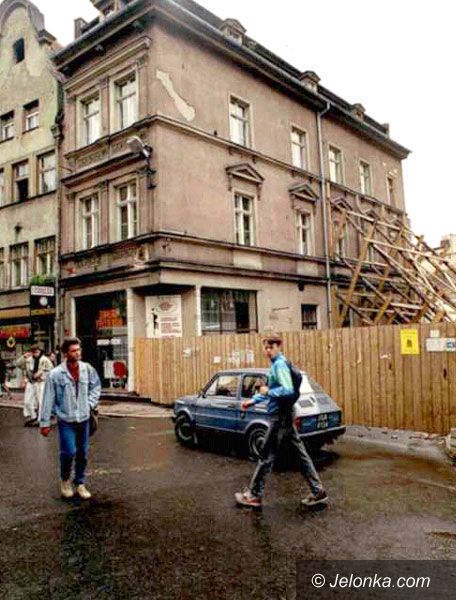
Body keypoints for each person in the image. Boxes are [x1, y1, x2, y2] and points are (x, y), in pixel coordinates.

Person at [235, 334, 328, 509]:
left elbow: (287, 390)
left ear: (279, 346)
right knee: (300, 454)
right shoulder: (278, 364)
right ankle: (318, 491)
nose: (268, 351)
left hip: (280, 417)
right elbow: (274, 390)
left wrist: (267, 392)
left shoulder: (279, 365)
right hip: (285, 414)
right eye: (266, 348)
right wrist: (253, 401)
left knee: (266, 454)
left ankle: (254, 495)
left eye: (271, 347)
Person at [40, 337, 101, 500]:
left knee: (83, 453)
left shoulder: (87, 369)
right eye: (74, 351)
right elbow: (48, 398)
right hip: (66, 420)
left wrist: (89, 404)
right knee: (68, 452)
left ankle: (80, 482)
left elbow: (96, 387)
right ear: (65, 353)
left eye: (79, 350)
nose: (78, 353)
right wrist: (45, 423)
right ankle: (65, 480)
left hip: (84, 418)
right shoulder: (55, 374)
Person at [16, 345, 53, 426]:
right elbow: (18, 364)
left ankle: (41, 419)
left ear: (40, 351)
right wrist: (23, 357)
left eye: (37, 351)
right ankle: (33, 416)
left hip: (41, 382)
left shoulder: (45, 360)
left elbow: (51, 371)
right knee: (27, 401)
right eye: (33, 352)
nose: (35, 353)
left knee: (41, 401)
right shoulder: (28, 360)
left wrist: (42, 376)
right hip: (31, 382)